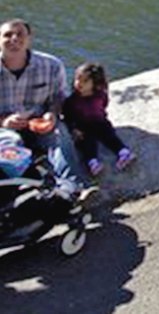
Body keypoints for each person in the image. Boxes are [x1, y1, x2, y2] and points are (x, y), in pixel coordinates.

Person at [0, 19, 91, 197]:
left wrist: (52, 113)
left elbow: (58, 97)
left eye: (20, 34)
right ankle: (22, 194)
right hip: (3, 127)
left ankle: (73, 188)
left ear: (29, 39)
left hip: (38, 122)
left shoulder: (51, 65)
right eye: (7, 35)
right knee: (10, 143)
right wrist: (4, 120)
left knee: (59, 136)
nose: (14, 39)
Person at [63, 62, 136, 176]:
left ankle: (123, 152)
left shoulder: (100, 95)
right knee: (87, 142)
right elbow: (68, 116)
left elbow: (104, 105)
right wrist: (73, 129)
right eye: (77, 79)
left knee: (109, 135)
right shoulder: (72, 101)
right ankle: (93, 162)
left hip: (100, 121)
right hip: (83, 126)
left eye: (85, 81)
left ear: (94, 83)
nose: (79, 83)